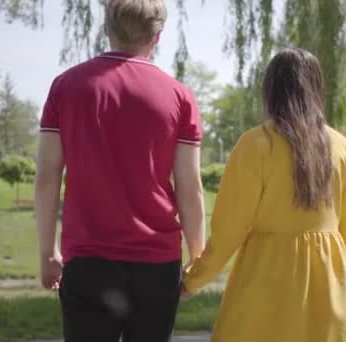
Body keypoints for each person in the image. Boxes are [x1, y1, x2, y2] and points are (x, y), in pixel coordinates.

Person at [35, 0, 206, 341]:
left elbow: (48, 175)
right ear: (157, 37)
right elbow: (190, 187)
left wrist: (47, 252)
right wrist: (197, 256)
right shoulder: (180, 97)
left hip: (88, 261)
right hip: (156, 265)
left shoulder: (65, 87)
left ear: (106, 29)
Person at [181, 48, 346, 342]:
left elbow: (229, 230)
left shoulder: (256, 145)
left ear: (271, 91)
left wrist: (192, 280)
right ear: (316, 89)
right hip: (329, 291)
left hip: (265, 286)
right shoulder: (342, 149)